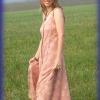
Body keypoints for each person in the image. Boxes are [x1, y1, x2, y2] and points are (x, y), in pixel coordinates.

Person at [28, 0, 71, 100]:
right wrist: (36, 57)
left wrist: (58, 58)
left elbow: (61, 35)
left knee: (44, 90)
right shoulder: (45, 13)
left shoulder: (57, 12)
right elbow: (43, 38)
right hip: (44, 58)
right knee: (50, 90)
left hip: (53, 58)